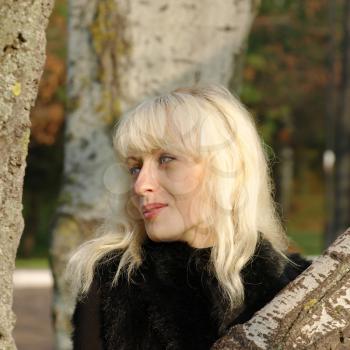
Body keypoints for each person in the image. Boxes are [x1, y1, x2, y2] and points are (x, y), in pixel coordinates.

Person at [66, 85, 310, 350]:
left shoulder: (300, 288)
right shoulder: (110, 283)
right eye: (135, 168)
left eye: (166, 159)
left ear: (226, 168)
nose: (140, 185)